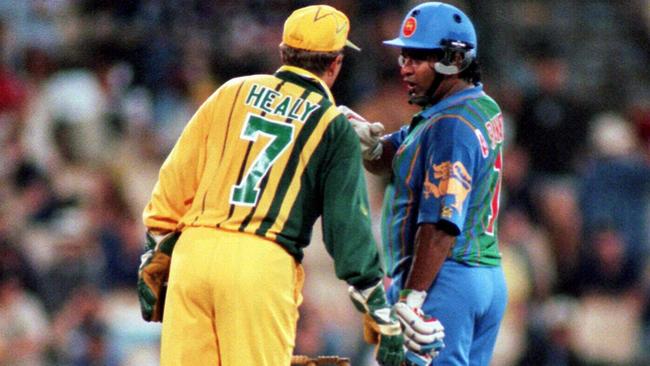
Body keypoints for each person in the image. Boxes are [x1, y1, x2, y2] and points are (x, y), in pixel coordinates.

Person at [136, 5, 404, 366]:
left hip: (193, 255)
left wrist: (154, 254)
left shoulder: (231, 91)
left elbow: (174, 180)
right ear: (336, 64)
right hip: (260, 262)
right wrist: (378, 311)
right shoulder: (332, 124)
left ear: (282, 53)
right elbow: (347, 232)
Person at [340, 2, 507, 365]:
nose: (405, 67)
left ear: (452, 60)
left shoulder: (450, 126)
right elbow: (397, 155)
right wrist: (370, 147)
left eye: (418, 58)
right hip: (481, 274)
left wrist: (412, 298)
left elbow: (441, 224)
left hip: (447, 277)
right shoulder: (474, 106)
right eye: (404, 57)